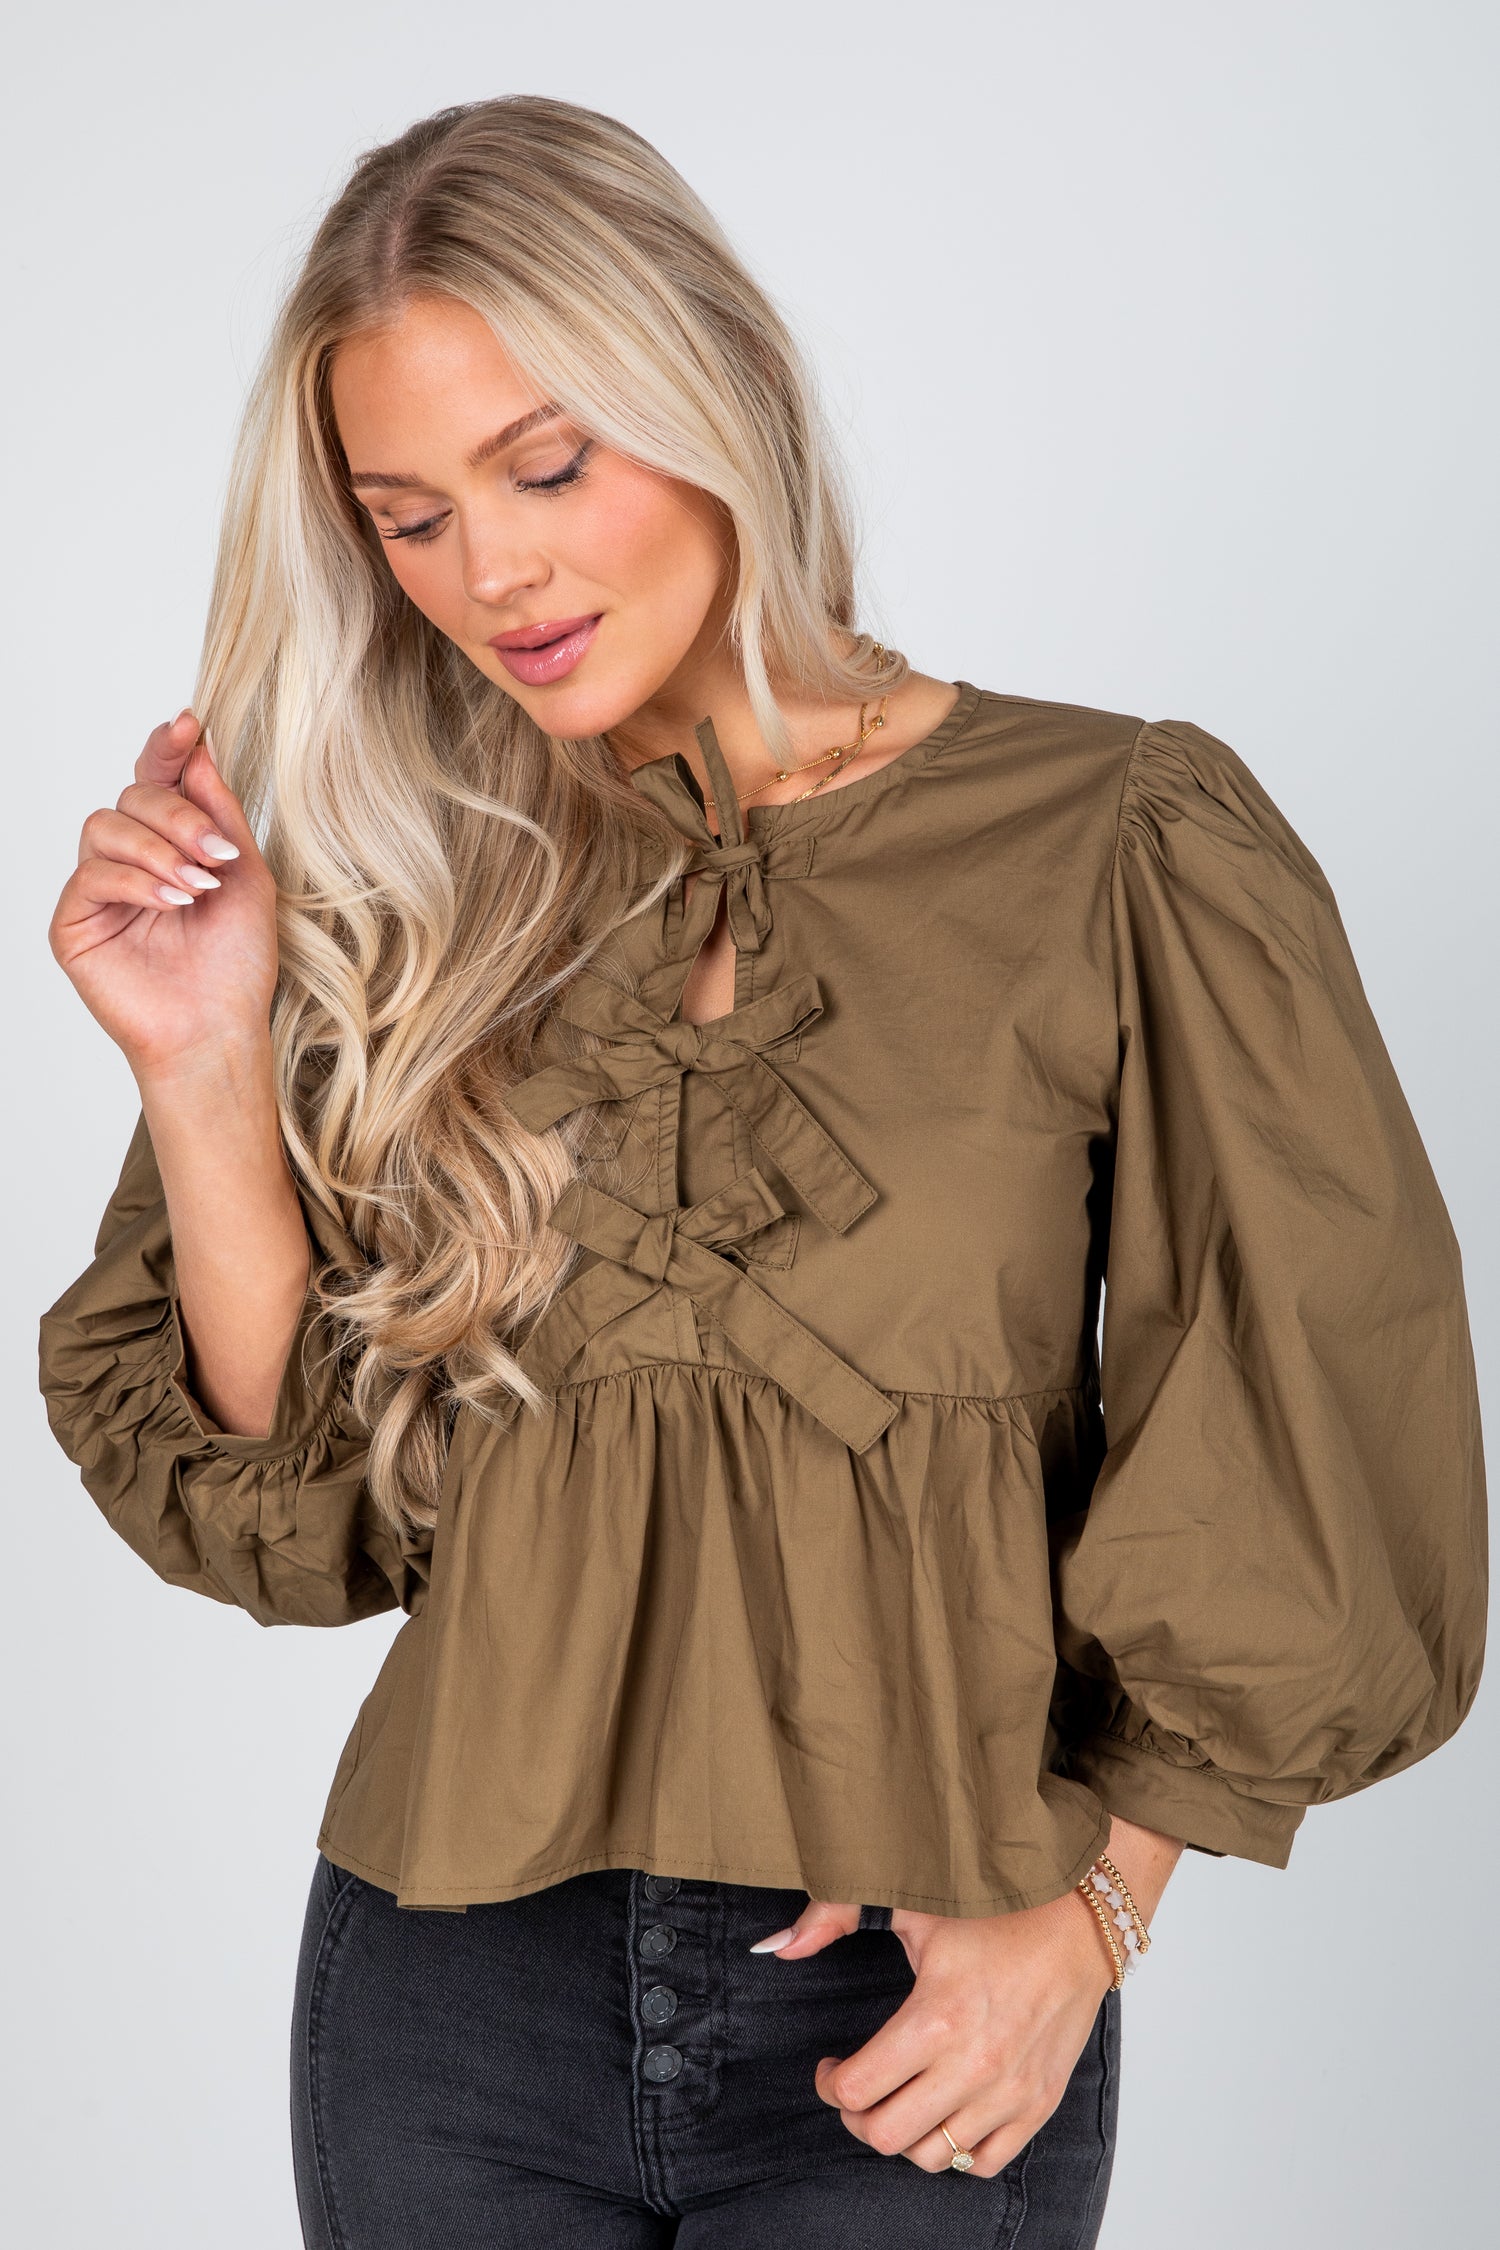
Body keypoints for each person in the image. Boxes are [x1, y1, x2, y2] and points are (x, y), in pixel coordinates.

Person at [37, 94, 1486, 2250]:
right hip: (449, 1991)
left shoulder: (1116, 837)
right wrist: (203, 1062)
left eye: (546, 466)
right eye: (408, 516)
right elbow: (303, 1522)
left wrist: (1102, 1898)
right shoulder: (426, 889)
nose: (491, 574)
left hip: (926, 1988)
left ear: (711, 392)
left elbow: (1310, 1395)